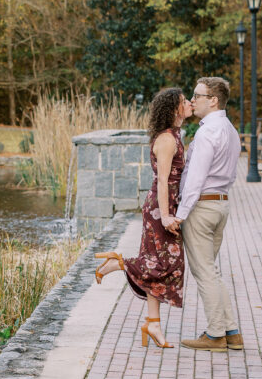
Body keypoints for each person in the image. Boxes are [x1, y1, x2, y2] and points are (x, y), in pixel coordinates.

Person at [93, 87, 194, 348]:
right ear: (175, 109)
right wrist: (165, 216)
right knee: (165, 264)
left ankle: (153, 324)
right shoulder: (168, 140)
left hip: (165, 206)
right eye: (185, 101)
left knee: (159, 264)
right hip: (160, 208)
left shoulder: (175, 135)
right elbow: (162, 182)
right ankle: (118, 264)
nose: (190, 103)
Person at [168, 77, 242, 352]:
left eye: (197, 95)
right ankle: (231, 331)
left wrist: (180, 215)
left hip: (202, 207)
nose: (192, 100)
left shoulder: (208, 132)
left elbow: (195, 179)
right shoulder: (230, 130)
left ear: (213, 100)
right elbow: (231, 174)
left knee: (205, 273)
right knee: (212, 270)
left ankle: (214, 335)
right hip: (221, 203)